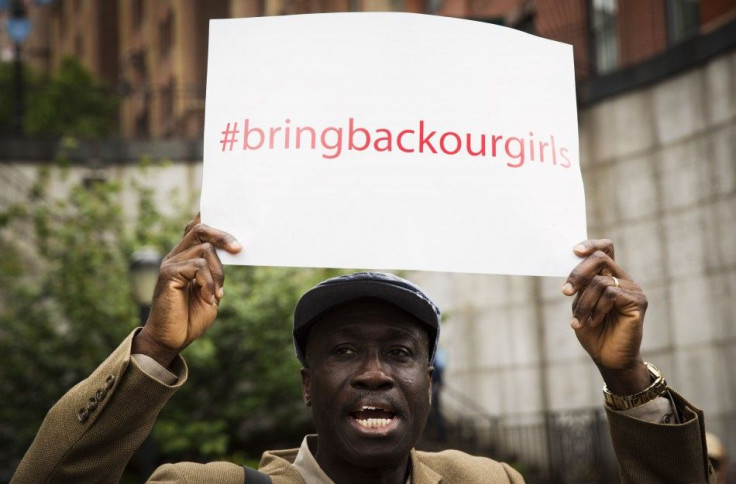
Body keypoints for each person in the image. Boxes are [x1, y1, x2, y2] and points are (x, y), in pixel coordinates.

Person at [11, 215, 716, 483]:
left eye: (402, 353)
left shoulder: (485, 482)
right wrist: (155, 349)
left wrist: (626, 376)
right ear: (308, 386)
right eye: (344, 352)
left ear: (429, 384)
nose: (375, 373)